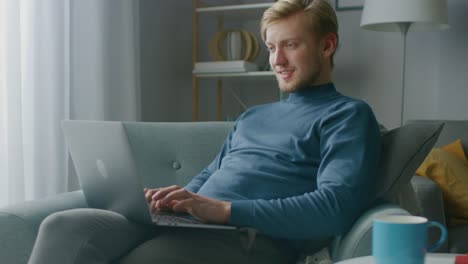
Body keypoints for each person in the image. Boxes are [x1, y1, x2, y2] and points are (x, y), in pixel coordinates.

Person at [28, 0, 381, 263]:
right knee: (63, 226)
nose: (277, 61)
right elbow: (212, 175)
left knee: (147, 259)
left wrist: (224, 211)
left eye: (290, 45)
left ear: (327, 45)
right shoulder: (253, 117)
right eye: (272, 47)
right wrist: (173, 202)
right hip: (195, 224)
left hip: (252, 238)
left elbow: (334, 206)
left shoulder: (347, 115)